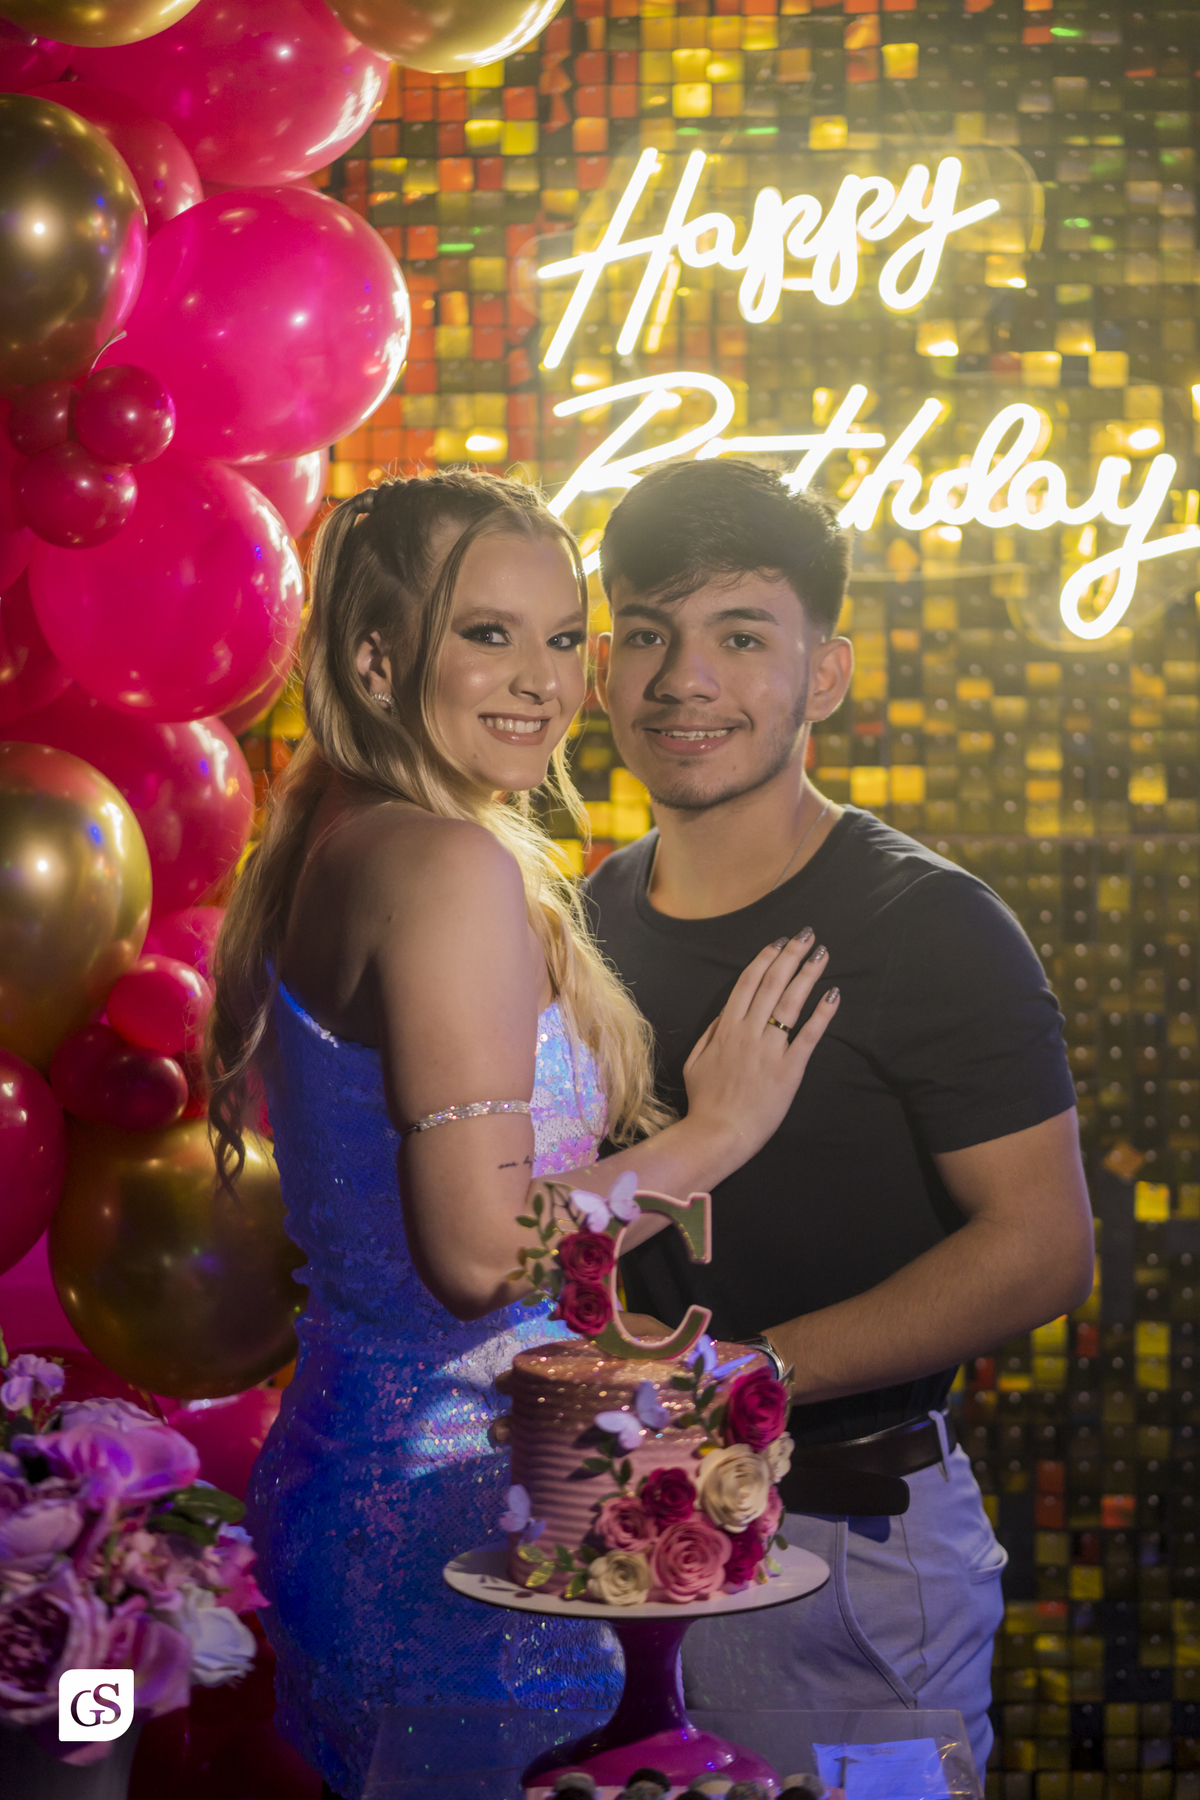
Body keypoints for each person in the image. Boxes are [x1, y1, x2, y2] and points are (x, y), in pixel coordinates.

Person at [205, 471, 841, 1800]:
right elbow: (480, 1254)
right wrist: (716, 1134)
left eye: (561, 638)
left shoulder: (336, 834)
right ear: (377, 660)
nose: (542, 682)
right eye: (487, 633)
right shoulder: (443, 866)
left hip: (356, 1478)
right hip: (454, 1535)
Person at [583, 458, 1095, 1774]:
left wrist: (743, 1380)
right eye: (647, 632)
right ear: (602, 668)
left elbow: (1043, 1248)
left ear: (825, 675)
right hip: (611, 1536)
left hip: (848, 1546)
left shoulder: (929, 926)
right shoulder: (587, 918)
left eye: (742, 637)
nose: (683, 679)